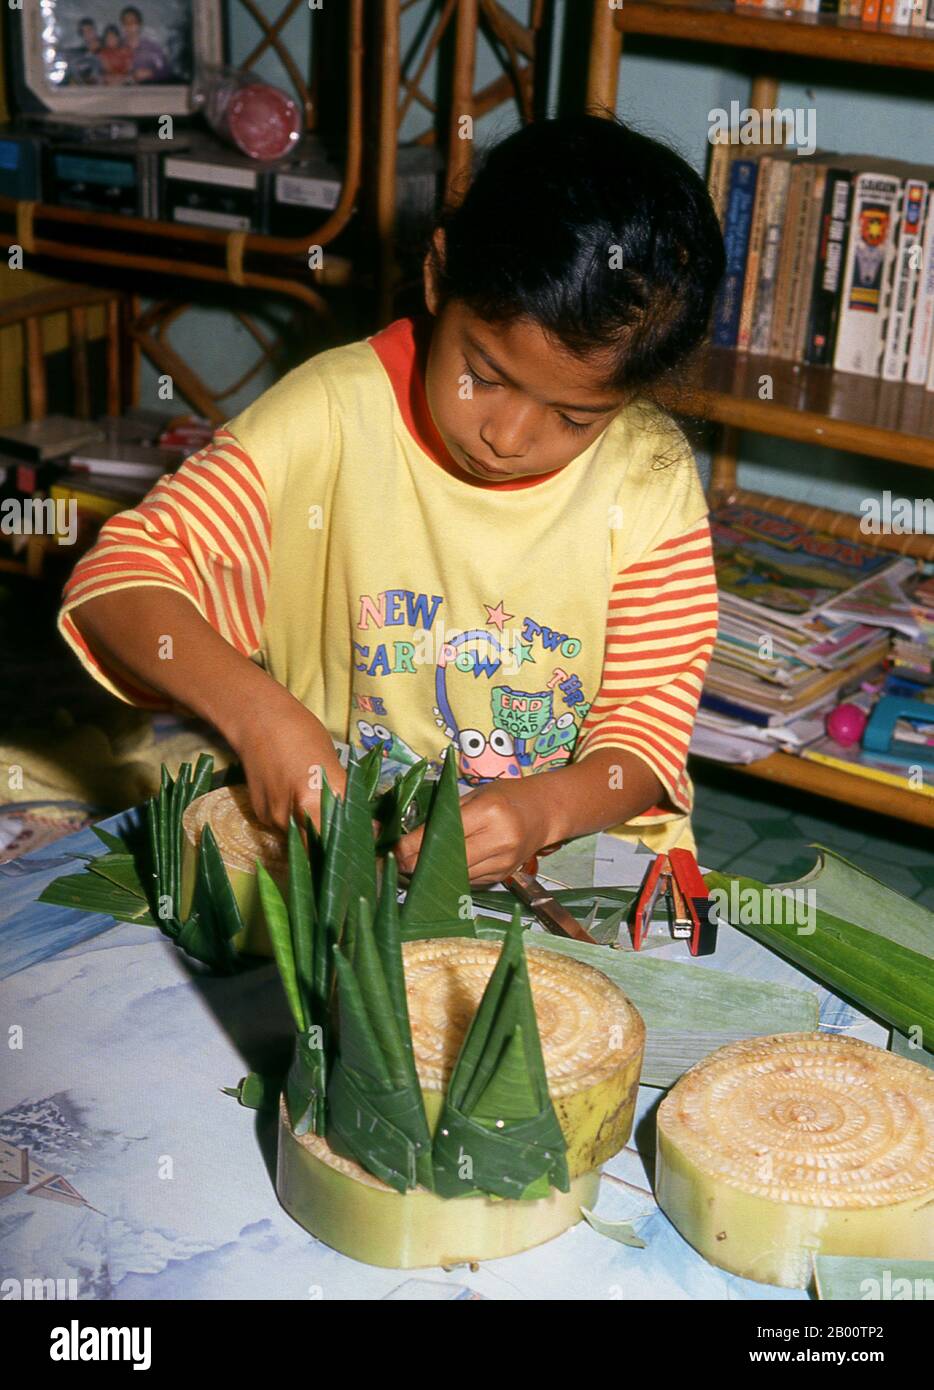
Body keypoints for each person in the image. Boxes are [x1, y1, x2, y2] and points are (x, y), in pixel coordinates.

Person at [59, 115, 725, 885]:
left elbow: (643, 741)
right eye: (487, 373)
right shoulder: (332, 415)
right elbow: (116, 584)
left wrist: (541, 812)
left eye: (573, 417)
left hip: (583, 858)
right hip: (355, 854)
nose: (507, 436)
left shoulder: (649, 474)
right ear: (439, 275)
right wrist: (263, 716)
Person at [119, 5, 168, 83]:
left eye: (132, 22)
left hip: (149, 92)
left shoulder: (152, 48)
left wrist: (151, 73)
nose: (129, 26)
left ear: (140, 24)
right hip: (122, 93)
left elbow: (165, 70)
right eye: (125, 22)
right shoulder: (117, 47)